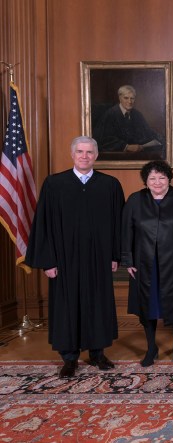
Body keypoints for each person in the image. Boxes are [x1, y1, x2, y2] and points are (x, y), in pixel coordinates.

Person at [25, 136, 124, 378]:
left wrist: (115, 255)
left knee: (97, 303)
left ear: (96, 156)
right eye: (80, 151)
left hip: (98, 259)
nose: (84, 156)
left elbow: (118, 224)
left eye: (89, 152)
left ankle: (97, 353)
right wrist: (48, 260)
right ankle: (69, 358)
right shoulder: (54, 184)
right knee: (66, 306)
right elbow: (44, 225)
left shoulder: (110, 185)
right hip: (64, 261)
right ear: (72, 154)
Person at [121, 160, 173, 367]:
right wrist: (127, 260)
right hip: (145, 265)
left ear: (169, 179)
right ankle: (151, 348)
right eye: (152, 178)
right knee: (148, 306)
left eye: (162, 178)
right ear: (145, 181)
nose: (157, 182)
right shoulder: (135, 200)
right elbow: (126, 232)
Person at [93, 84, 165, 155]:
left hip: (136, 154)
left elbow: (148, 131)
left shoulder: (137, 114)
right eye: (126, 98)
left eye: (132, 98)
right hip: (116, 155)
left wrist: (160, 138)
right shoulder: (110, 114)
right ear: (120, 98)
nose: (130, 102)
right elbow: (105, 139)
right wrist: (127, 147)